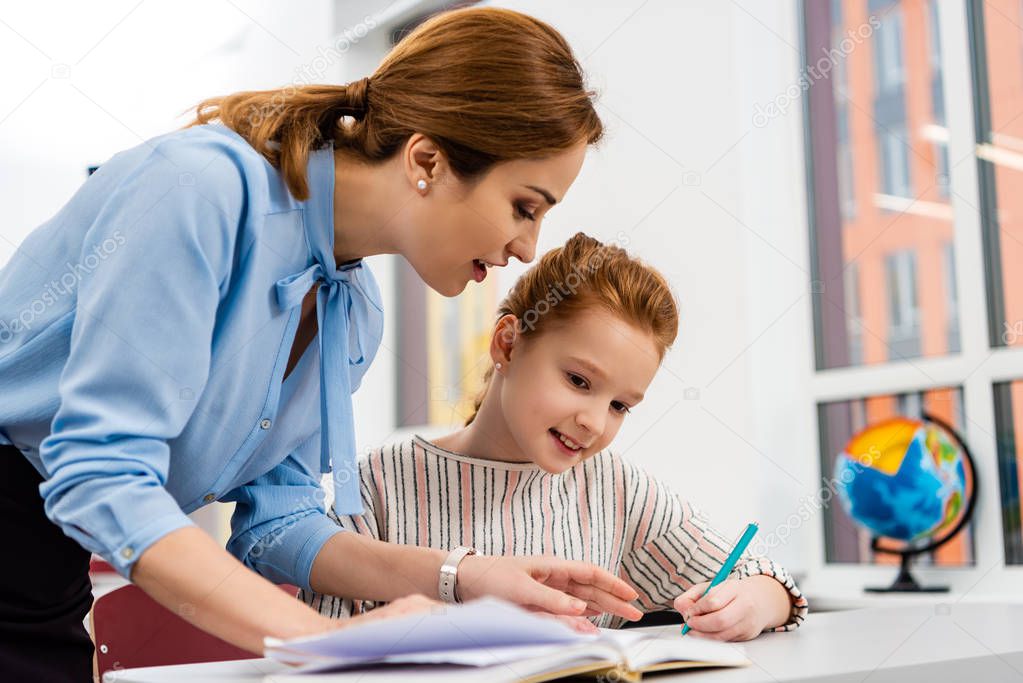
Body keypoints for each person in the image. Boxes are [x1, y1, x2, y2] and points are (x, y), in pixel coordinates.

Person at [0, 9, 644, 682]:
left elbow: (276, 522)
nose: (526, 247)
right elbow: (99, 470)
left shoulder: (354, 314)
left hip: (45, 572)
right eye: (524, 206)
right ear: (426, 160)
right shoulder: (200, 192)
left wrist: (462, 574)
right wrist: (324, 638)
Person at [303, 233, 809, 640]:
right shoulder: (375, 484)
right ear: (507, 345)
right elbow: (322, 641)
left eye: (619, 406)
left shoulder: (615, 489)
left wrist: (755, 603)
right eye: (579, 381)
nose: (594, 421)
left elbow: (767, 580)